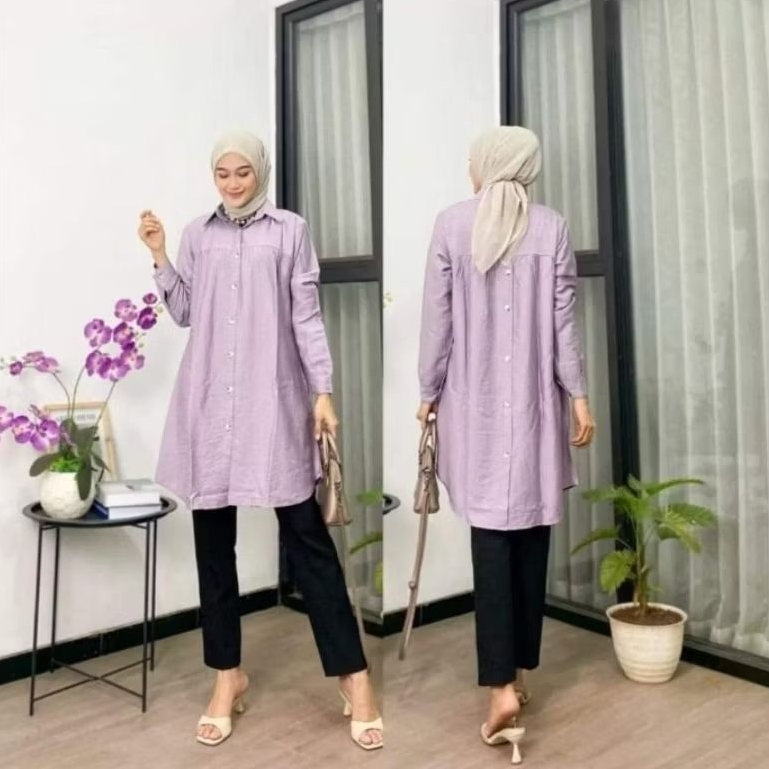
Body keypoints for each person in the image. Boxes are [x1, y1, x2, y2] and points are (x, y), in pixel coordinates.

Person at [137, 130, 382, 750]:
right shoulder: (198, 234)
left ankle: (354, 677)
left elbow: (305, 316)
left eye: (242, 172)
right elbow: (186, 312)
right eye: (222, 173)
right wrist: (160, 255)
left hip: (272, 401)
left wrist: (322, 391)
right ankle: (227, 678)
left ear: (260, 171)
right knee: (213, 547)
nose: (233, 183)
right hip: (209, 404)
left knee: (307, 540)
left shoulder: (289, 231)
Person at [417, 125, 595, 761]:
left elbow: (437, 320)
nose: (470, 169)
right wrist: (578, 395)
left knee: (490, 541)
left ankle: (499, 690)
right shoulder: (551, 227)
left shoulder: (451, 224)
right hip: (536, 407)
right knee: (530, 537)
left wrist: (428, 391)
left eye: (474, 160)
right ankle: (517, 673)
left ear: (490, 164)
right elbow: (564, 323)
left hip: (475, 409)